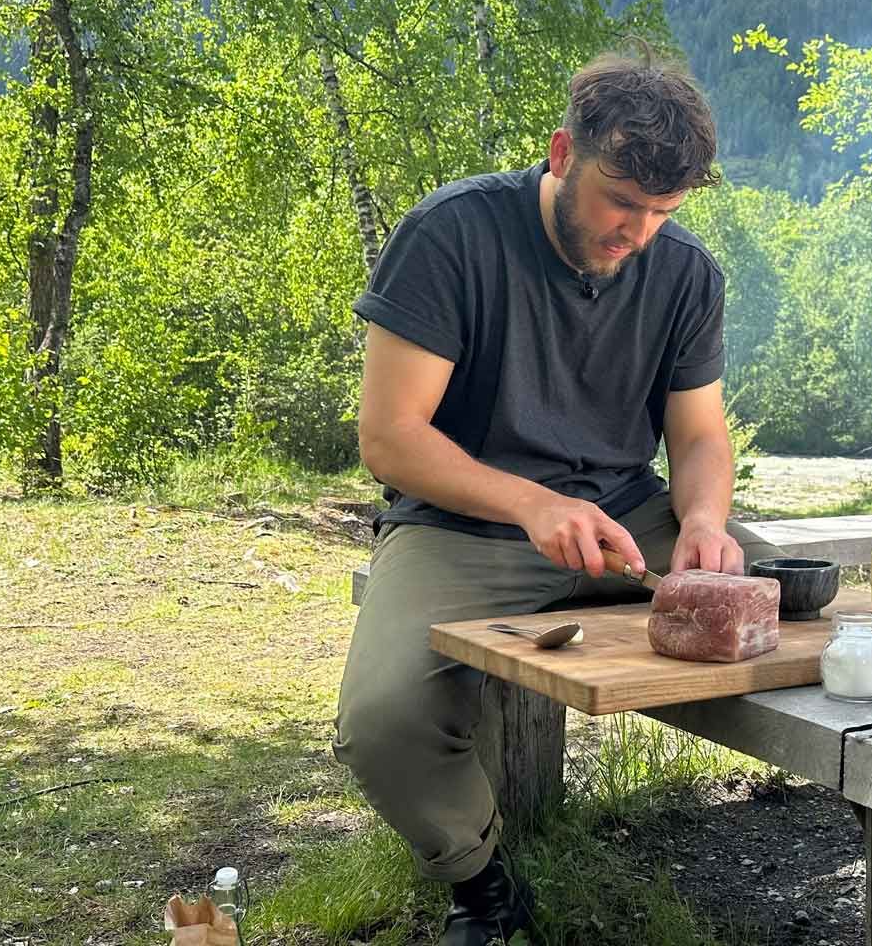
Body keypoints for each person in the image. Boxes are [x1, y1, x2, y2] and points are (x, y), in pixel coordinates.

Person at [333, 48, 785, 946]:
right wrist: (533, 505)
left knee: (811, 612)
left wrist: (699, 519)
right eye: (621, 202)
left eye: (663, 212)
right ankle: (483, 883)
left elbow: (697, 435)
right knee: (382, 722)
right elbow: (390, 437)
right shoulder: (451, 235)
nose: (638, 233)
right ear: (559, 154)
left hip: (628, 521)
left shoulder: (687, 272)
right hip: (464, 527)